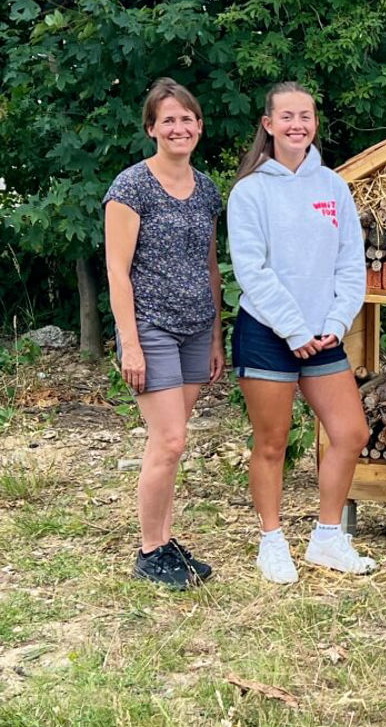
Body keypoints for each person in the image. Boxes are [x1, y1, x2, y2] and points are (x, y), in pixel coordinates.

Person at [227, 81, 374, 584]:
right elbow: (253, 271)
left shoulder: (333, 187)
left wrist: (334, 324)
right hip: (269, 334)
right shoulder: (250, 192)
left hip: (323, 336)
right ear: (268, 125)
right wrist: (293, 330)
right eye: (286, 116)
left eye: (305, 116)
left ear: (314, 123)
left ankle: (327, 538)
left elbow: (350, 265)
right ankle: (272, 542)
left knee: (351, 433)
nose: (297, 125)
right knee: (272, 443)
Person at [104, 78, 224, 589]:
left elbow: (211, 267)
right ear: (152, 128)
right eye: (168, 119)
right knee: (170, 439)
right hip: (150, 326)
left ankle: (166, 539)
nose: (179, 127)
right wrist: (129, 342)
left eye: (187, 118)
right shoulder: (131, 186)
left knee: (169, 442)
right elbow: (116, 268)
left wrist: (216, 335)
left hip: (197, 327)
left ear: (199, 126)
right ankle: (150, 550)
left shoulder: (207, 190)